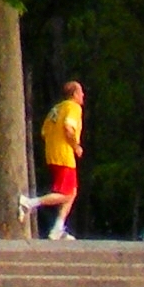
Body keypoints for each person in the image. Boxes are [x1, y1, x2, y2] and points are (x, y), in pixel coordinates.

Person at [24, 82, 85, 241]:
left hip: (52, 153)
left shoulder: (56, 109)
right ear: (74, 94)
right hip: (65, 154)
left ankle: (58, 228)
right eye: (81, 92)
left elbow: (44, 132)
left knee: (72, 192)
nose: (83, 95)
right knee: (65, 194)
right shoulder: (73, 107)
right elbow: (68, 127)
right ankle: (30, 203)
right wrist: (76, 146)